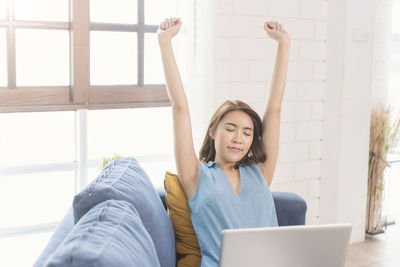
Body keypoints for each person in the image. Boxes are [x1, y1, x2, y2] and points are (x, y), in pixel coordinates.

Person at [158, 17, 290, 267]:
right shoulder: (196, 175)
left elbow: (275, 108)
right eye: (230, 129)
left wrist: (284, 44)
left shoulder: (260, 172)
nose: (238, 138)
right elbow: (179, 107)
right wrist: (165, 42)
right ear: (213, 133)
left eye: (247, 133)